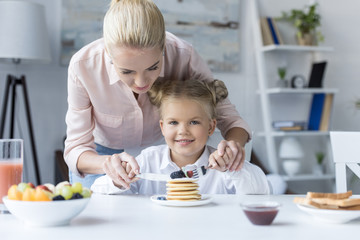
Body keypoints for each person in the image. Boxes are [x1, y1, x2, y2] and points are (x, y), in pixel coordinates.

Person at [64, 0, 252, 189]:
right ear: (108, 54)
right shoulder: (83, 66)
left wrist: (233, 146)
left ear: (163, 48)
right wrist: (106, 164)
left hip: (159, 155)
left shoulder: (183, 55)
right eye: (127, 72)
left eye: (153, 67)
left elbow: (232, 120)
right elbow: (76, 149)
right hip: (102, 155)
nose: (141, 82)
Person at [91, 79, 269, 195]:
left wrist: (232, 168)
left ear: (211, 126)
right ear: (162, 127)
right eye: (174, 123)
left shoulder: (222, 166)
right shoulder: (148, 160)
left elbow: (261, 191)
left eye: (194, 122)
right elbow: (97, 191)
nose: (183, 131)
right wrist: (118, 181)